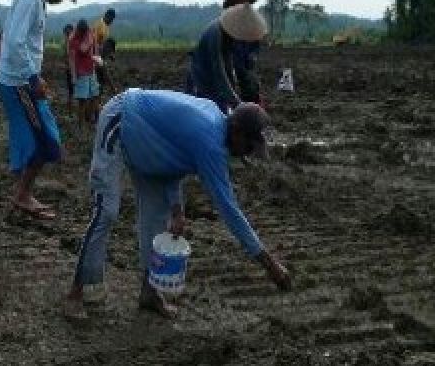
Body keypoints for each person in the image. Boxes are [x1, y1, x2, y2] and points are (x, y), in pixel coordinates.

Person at [64, 90, 291, 319]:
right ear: (237, 131)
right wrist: (269, 264)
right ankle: (76, 293)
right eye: (249, 146)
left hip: (149, 145)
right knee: (107, 211)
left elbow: (171, 155)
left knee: (157, 218)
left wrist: (176, 208)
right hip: (121, 119)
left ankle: (149, 293)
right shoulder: (210, 142)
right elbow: (228, 208)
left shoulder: (215, 124)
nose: (248, 153)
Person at [0, 0, 80, 220]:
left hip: (21, 80)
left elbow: (12, 36)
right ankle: (22, 195)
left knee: (38, 139)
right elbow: (16, 42)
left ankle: (22, 194)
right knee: (45, 140)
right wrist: (34, 79)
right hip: (20, 82)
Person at [185, 3, 267, 111]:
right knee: (203, 110)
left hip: (221, 72)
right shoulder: (216, 33)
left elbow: (241, 69)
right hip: (201, 75)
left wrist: (253, 96)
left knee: (223, 109)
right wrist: (237, 103)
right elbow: (219, 72)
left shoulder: (235, 36)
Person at [67, 18, 100, 127]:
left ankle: (95, 120)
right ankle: (80, 126)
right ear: (79, 30)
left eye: (85, 31)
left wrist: (98, 61)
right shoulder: (73, 39)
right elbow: (79, 53)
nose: (84, 33)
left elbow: (95, 50)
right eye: (82, 32)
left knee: (95, 96)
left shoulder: (89, 33)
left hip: (91, 70)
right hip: (81, 73)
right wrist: (73, 76)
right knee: (82, 100)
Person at [92, 8, 116, 93]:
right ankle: (114, 90)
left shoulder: (106, 27)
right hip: (95, 54)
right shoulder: (99, 24)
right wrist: (98, 57)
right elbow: (94, 42)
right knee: (102, 74)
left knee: (101, 78)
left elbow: (105, 43)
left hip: (101, 55)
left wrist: (109, 54)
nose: (112, 21)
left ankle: (100, 95)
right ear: (107, 16)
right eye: (112, 19)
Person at [60, 23, 76, 108]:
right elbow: (65, 55)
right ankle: (70, 101)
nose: (67, 33)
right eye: (66, 32)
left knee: (72, 85)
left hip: (72, 66)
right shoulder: (66, 42)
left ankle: (71, 101)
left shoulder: (71, 41)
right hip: (69, 67)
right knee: (71, 84)